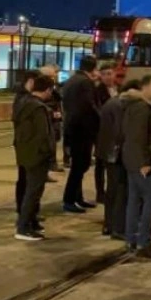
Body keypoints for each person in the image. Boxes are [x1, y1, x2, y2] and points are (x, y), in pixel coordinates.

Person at [122, 74, 151, 258]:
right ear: (144, 87)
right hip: (141, 164)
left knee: (134, 200)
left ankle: (131, 239)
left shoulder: (135, 107)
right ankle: (143, 242)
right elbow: (138, 138)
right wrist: (145, 162)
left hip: (132, 161)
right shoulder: (142, 109)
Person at [13, 74, 57, 241]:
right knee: (33, 192)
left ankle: (29, 223)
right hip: (37, 157)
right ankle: (23, 228)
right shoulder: (39, 108)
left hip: (25, 154)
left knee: (29, 191)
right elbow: (44, 135)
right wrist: (49, 156)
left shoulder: (23, 103)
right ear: (47, 90)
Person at [97, 80, 143, 239]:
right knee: (120, 191)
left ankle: (109, 225)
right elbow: (120, 131)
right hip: (117, 154)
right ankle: (117, 227)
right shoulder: (121, 106)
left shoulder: (112, 103)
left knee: (112, 190)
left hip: (108, 152)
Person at [61, 55, 100, 213]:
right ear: (92, 68)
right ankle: (69, 199)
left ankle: (77, 198)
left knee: (79, 166)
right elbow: (89, 106)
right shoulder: (85, 82)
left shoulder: (72, 80)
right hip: (82, 130)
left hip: (72, 128)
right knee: (79, 167)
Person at [14, 71, 42, 222]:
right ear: (31, 82)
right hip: (26, 145)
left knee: (26, 179)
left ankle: (28, 212)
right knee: (26, 180)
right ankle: (24, 213)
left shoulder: (24, 97)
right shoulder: (25, 99)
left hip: (24, 144)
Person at [94, 63, 118, 203]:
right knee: (100, 163)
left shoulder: (117, 89)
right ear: (101, 76)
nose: (108, 77)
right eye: (105, 74)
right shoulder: (98, 91)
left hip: (116, 131)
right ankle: (100, 192)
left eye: (110, 73)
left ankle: (112, 190)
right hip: (103, 131)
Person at [40, 65, 65, 173]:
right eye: (53, 76)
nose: (55, 78)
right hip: (49, 118)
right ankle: (50, 164)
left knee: (55, 139)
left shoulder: (53, 87)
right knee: (50, 142)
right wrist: (53, 112)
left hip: (55, 118)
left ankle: (51, 163)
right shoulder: (43, 89)